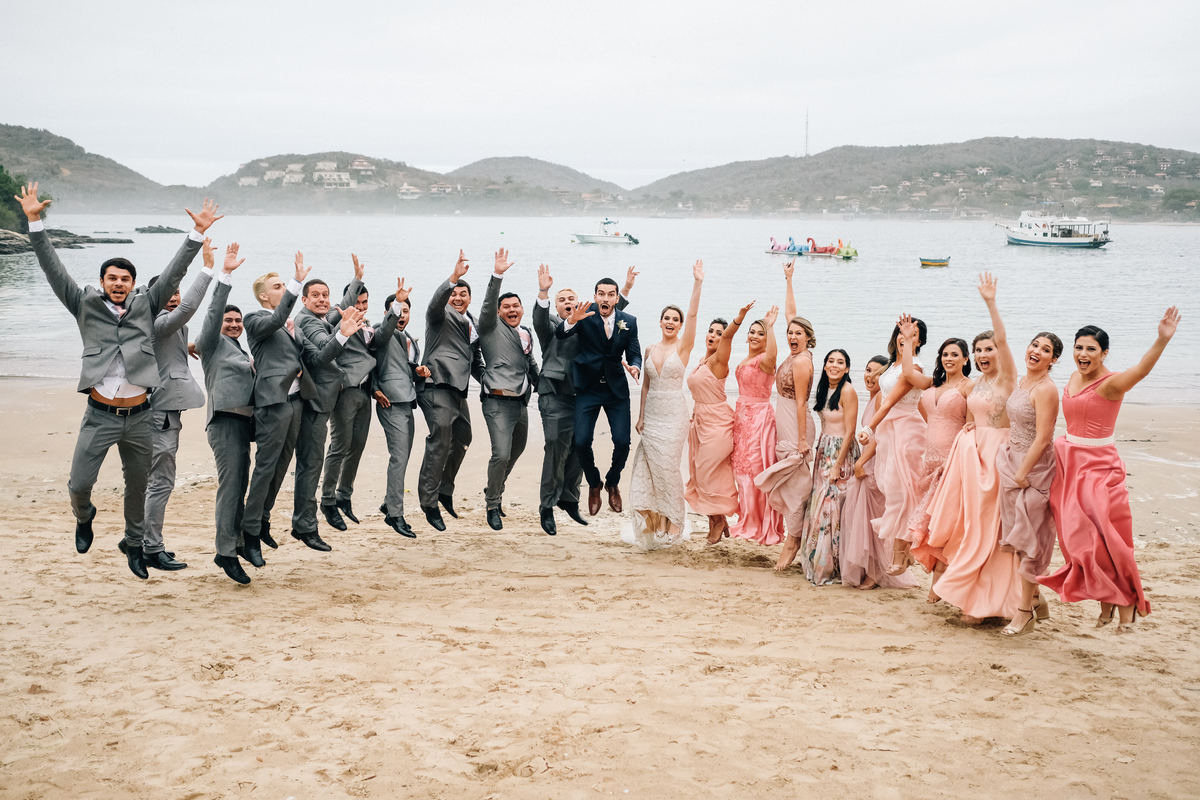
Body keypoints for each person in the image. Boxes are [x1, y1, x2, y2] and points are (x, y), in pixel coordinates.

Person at [17, 182, 218, 579]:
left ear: (134, 283)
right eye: (112, 277)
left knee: (137, 487)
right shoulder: (84, 305)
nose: (119, 283)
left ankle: (135, 545)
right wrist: (35, 223)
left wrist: (197, 235)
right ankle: (84, 516)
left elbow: (176, 272)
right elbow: (53, 270)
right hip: (99, 415)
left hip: (142, 415)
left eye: (125, 278)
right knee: (78, 483)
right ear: (103, 281)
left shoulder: (147, 306)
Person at [1038, 309, 1181, 632]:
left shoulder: (1111, 383)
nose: (1083, 354)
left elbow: (1142, 370)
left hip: (1098, 468)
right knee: (1077, 542)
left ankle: (1127, 603)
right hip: (1069, 464)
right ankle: (1109, 604)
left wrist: (1161, 339)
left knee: (1104, 540)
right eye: (1079, 347)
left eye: (1091, 349)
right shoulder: (1074, 377)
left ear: (1104, 353)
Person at [924, 274, 1021, 623]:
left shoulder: (1008, 377)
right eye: (978, 350)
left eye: (988, 349)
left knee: (989, 529)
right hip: (972, 458)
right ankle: (973, 596)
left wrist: (990, 303)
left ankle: (983, 603)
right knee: (970, 526)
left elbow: (1006, 341)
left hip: (997, 459)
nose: (982, 354)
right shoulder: (977, 382)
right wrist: (970, 426)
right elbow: (972, 412)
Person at [532, 266, 635, 535]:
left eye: (571, 299)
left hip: (581, 393)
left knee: (579, 448)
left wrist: (624, 289)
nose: (568, 303)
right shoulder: (552, 324)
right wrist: (543, 291)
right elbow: (541, 318)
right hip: (554, 393)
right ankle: (547, 505)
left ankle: (570, 499)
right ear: (556, 306)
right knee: (555, 447)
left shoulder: (588, 320)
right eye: (562, 300)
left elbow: (610, 312)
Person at [142, 237, 218, 571]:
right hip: (159, 414)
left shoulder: (165, 324)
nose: (175, 296)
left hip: (165, 411)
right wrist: (208, 270)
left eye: (176, 290)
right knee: (161, 482)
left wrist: (188, 350)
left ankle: (138, 537)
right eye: (169, 292)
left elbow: (167, 348)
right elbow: (185, 310)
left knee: (155, 480)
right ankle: (150, 547)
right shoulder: (158, 320)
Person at [626, 260, 704, 550]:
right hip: (652, 418)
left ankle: (674, 523)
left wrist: (697, 283)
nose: (671, 322)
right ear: (660, 321)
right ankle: (654, 521)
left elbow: (694, 314)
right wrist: (641, 417)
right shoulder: (649, 348)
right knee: (646, 471)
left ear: (680, 325)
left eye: (676, 319)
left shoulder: (682, 348)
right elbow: (645, 386)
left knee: (668, 470)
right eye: (666, 318)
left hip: (674, 418)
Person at [294, 266, 368, 550]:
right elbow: (326, 348)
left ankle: (304, 522)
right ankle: (305, 526)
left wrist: (356, 280)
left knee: (311, 464)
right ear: (304, 299)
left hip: (322, 401)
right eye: (315, 295)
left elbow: (340, 310)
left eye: (325, 295)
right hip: (316, 402)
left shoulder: (317, 317)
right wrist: (344, 333)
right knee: (310, 466)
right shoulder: (309, 322)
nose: (323, 299)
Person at [556, 277, 643, 516]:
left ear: (617, 298)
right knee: (582, 442)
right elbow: (561, 333)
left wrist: (635, 367)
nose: (605, 298)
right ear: (595, 296)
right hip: (588, 388)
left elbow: (634, 353)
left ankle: (613, 481)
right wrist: (571, 319)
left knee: (623, 442)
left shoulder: (629, 321)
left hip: (616, 391)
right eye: (601, 294)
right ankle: (594, 483)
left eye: (610, 294)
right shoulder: (584, 314)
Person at [194, 243, 254, 584]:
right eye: (228, 321)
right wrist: (225, 275)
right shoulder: (213, 345)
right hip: (224, 422)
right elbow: (213, 311)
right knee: (230, 488)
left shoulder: (240, 348)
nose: (233, 324)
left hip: (244, 424)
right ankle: (225, 552)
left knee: (240, 485)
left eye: (237, 320)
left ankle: (239, 541)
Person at [995, 330, 1062, 635]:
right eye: (1034, 345)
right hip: (1012, 463)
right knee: (1017, 537)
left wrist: (1024, 471)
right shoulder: (1023, 382)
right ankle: (1037, 601)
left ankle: (1024, 613)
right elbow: (1015, 420)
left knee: (1029, 541)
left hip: (1035, 470)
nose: (1036, 351)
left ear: (1054, 359)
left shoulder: (1047, 389)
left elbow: (1044, 436)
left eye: (1045, 349)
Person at [418, 250, 483, 531]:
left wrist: (492, 382)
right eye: (454, 294)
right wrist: (453, 279)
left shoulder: (474, 325)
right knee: (440, 440)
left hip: (458, 390)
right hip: (436, 384)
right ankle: (428, 502)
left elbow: (476, 361)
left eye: (463, 294)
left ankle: (444, 489)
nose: (458, 298)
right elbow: (435, 304)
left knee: (464, 436)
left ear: (470, 299)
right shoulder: (439, 316)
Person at [840, 356, 918, 590]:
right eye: (867, 370)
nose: (870, 376)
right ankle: (871, 569)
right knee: (863, 520)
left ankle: (876, 573)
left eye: (876, 373)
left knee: (874, 521)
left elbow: (878, 437)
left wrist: (861, 461)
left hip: (873, 464)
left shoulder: (881, 401)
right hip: (869, 462)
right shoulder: (873, 399)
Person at [758, 261, 816, 569]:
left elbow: (803, 402)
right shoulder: (795, 352)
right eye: (790, 332)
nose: (792, 336)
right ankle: (794, 537)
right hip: (785, 422)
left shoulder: (802, 362)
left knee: (796, 485)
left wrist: (803, 440)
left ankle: (792, 542)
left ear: (808, 337)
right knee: (788, 483)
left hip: (797, 426)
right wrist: (789, 280)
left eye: (798, 333)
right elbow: (793, 313)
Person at [477, 249, 540, 531]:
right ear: (500, 312)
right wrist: (497, 276)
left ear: (522, 309)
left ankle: (494, 490)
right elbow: (488, 304)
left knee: (516, 451)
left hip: (520, 403)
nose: (512, 310)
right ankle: (492, 505)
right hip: (496, 402)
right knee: (500, 454)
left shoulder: (526, 332)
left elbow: (531, 363)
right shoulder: (489, 327)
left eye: (516, 306)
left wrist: (544, 388)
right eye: (507, 307)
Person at [861, 315, 929, 575]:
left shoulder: (916, 368)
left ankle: (901, 553)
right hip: (890, 432)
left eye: (912, 333)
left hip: (906, 431)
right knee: (891, 488)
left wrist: (869, 427)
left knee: (904, 489)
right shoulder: (891, 367)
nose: (904, 336)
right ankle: (907, 548)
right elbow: (883, 400)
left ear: (919, 340)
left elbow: (892, 402)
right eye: (901, 331)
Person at [905, 337, 971, 599]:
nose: (949, 358)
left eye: (955, 354)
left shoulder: (969, 387)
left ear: (966, 359)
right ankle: (939, 578)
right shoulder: (934, 384)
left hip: (952, 463)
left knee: (946, 523)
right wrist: (909, 343)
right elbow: (909, 374)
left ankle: (938, 582)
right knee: (930, 523)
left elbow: (972, 425)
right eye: (945, 354)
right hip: (929, 463)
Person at [321, 255, 380, 530]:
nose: (361, 307)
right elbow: (339, 313)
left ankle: (345, 497)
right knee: (339, 446)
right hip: (344, 393)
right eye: (358, 302)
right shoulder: (337, 320)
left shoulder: (368, 327)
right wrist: (356, 281)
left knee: (357, 447)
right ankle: (327, 499)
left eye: (365, 303)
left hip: (364, 393)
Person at [372, 279, 429, 538]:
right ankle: (395, 514)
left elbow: (404, 369)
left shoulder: (410, 340)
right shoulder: (379, 331)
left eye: (406, 311)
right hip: (390, 402)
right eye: (397, 311)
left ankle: (388, 501)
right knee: (398, 459)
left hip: (408, 402)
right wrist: (374, 388)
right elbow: (372, 356)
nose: (402, 315)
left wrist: (419, 372)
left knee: (403, 458)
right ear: (387, 314)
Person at [685, 306, 747, 544]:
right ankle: (716, 520)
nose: (713, 335)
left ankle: (719, 520)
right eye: (710, 331)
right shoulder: (703, 360)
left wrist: (737, 319)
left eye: (718, 333)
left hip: (717, 423)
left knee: (707, 472)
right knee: (702, 474)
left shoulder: (720, 360)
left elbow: (729, 337)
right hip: (701, 422)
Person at [798, 349, 859, 585]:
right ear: (824, 366)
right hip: (824, 449)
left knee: (832, 506)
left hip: (840, 453)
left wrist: (837, 465)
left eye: (840, 362)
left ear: (847, 369)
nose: (834, 365)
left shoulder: (848, 391)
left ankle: (830, 565)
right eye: (830, 361)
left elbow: (850, 432)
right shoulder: (825, 390)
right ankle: (815, 558)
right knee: (818, 504)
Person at [729, 306, 784, 545]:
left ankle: (759, 522)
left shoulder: (765, 360)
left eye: (759, 334)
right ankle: (747, 516)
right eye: (752, 332)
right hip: (741, 417)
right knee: (740, 468)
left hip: (759, 418)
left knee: (754, 469)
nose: (754, 336)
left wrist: (770, 328)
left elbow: (773, 355)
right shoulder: (747, 358)